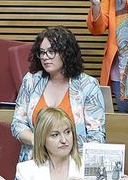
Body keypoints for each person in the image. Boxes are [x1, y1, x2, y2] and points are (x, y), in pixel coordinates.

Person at [11, 26, 107, 162]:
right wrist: (39, 142)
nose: (45, 57)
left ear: (66, 53)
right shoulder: (31, 80)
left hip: (74, 163)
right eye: (42, 52)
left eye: (51, 52)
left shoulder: (88, 85)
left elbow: (97, 135)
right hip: (36, 161)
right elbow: (17, 123)